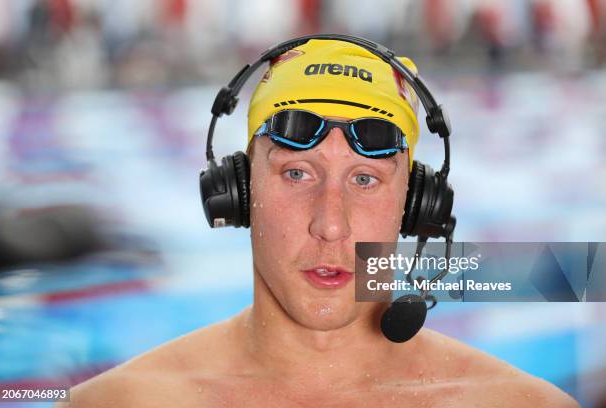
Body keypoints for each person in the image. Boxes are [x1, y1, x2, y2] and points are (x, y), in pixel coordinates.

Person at [61, 39, 579, 407]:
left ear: (417, 208)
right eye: (296, 173)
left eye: (365, 180)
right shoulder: (119, 402)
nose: (330, 226)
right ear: (238, 192)